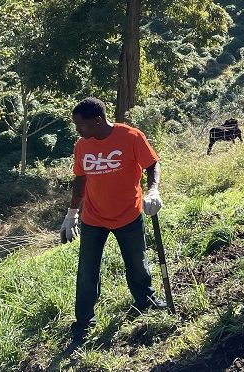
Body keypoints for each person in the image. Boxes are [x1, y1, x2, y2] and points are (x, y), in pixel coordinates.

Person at [60, 97, 165, 345]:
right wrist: (71, 214)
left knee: (137, 262)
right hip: (94, 218)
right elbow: (81, 179)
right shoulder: (82, 145)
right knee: (87, 270)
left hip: (128, 213)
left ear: (97, 121)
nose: (78, 131)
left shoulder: (131, 136)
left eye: (81, 126)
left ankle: (145, 300)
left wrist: (153, 190)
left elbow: (152, 164)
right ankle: (84, 322)